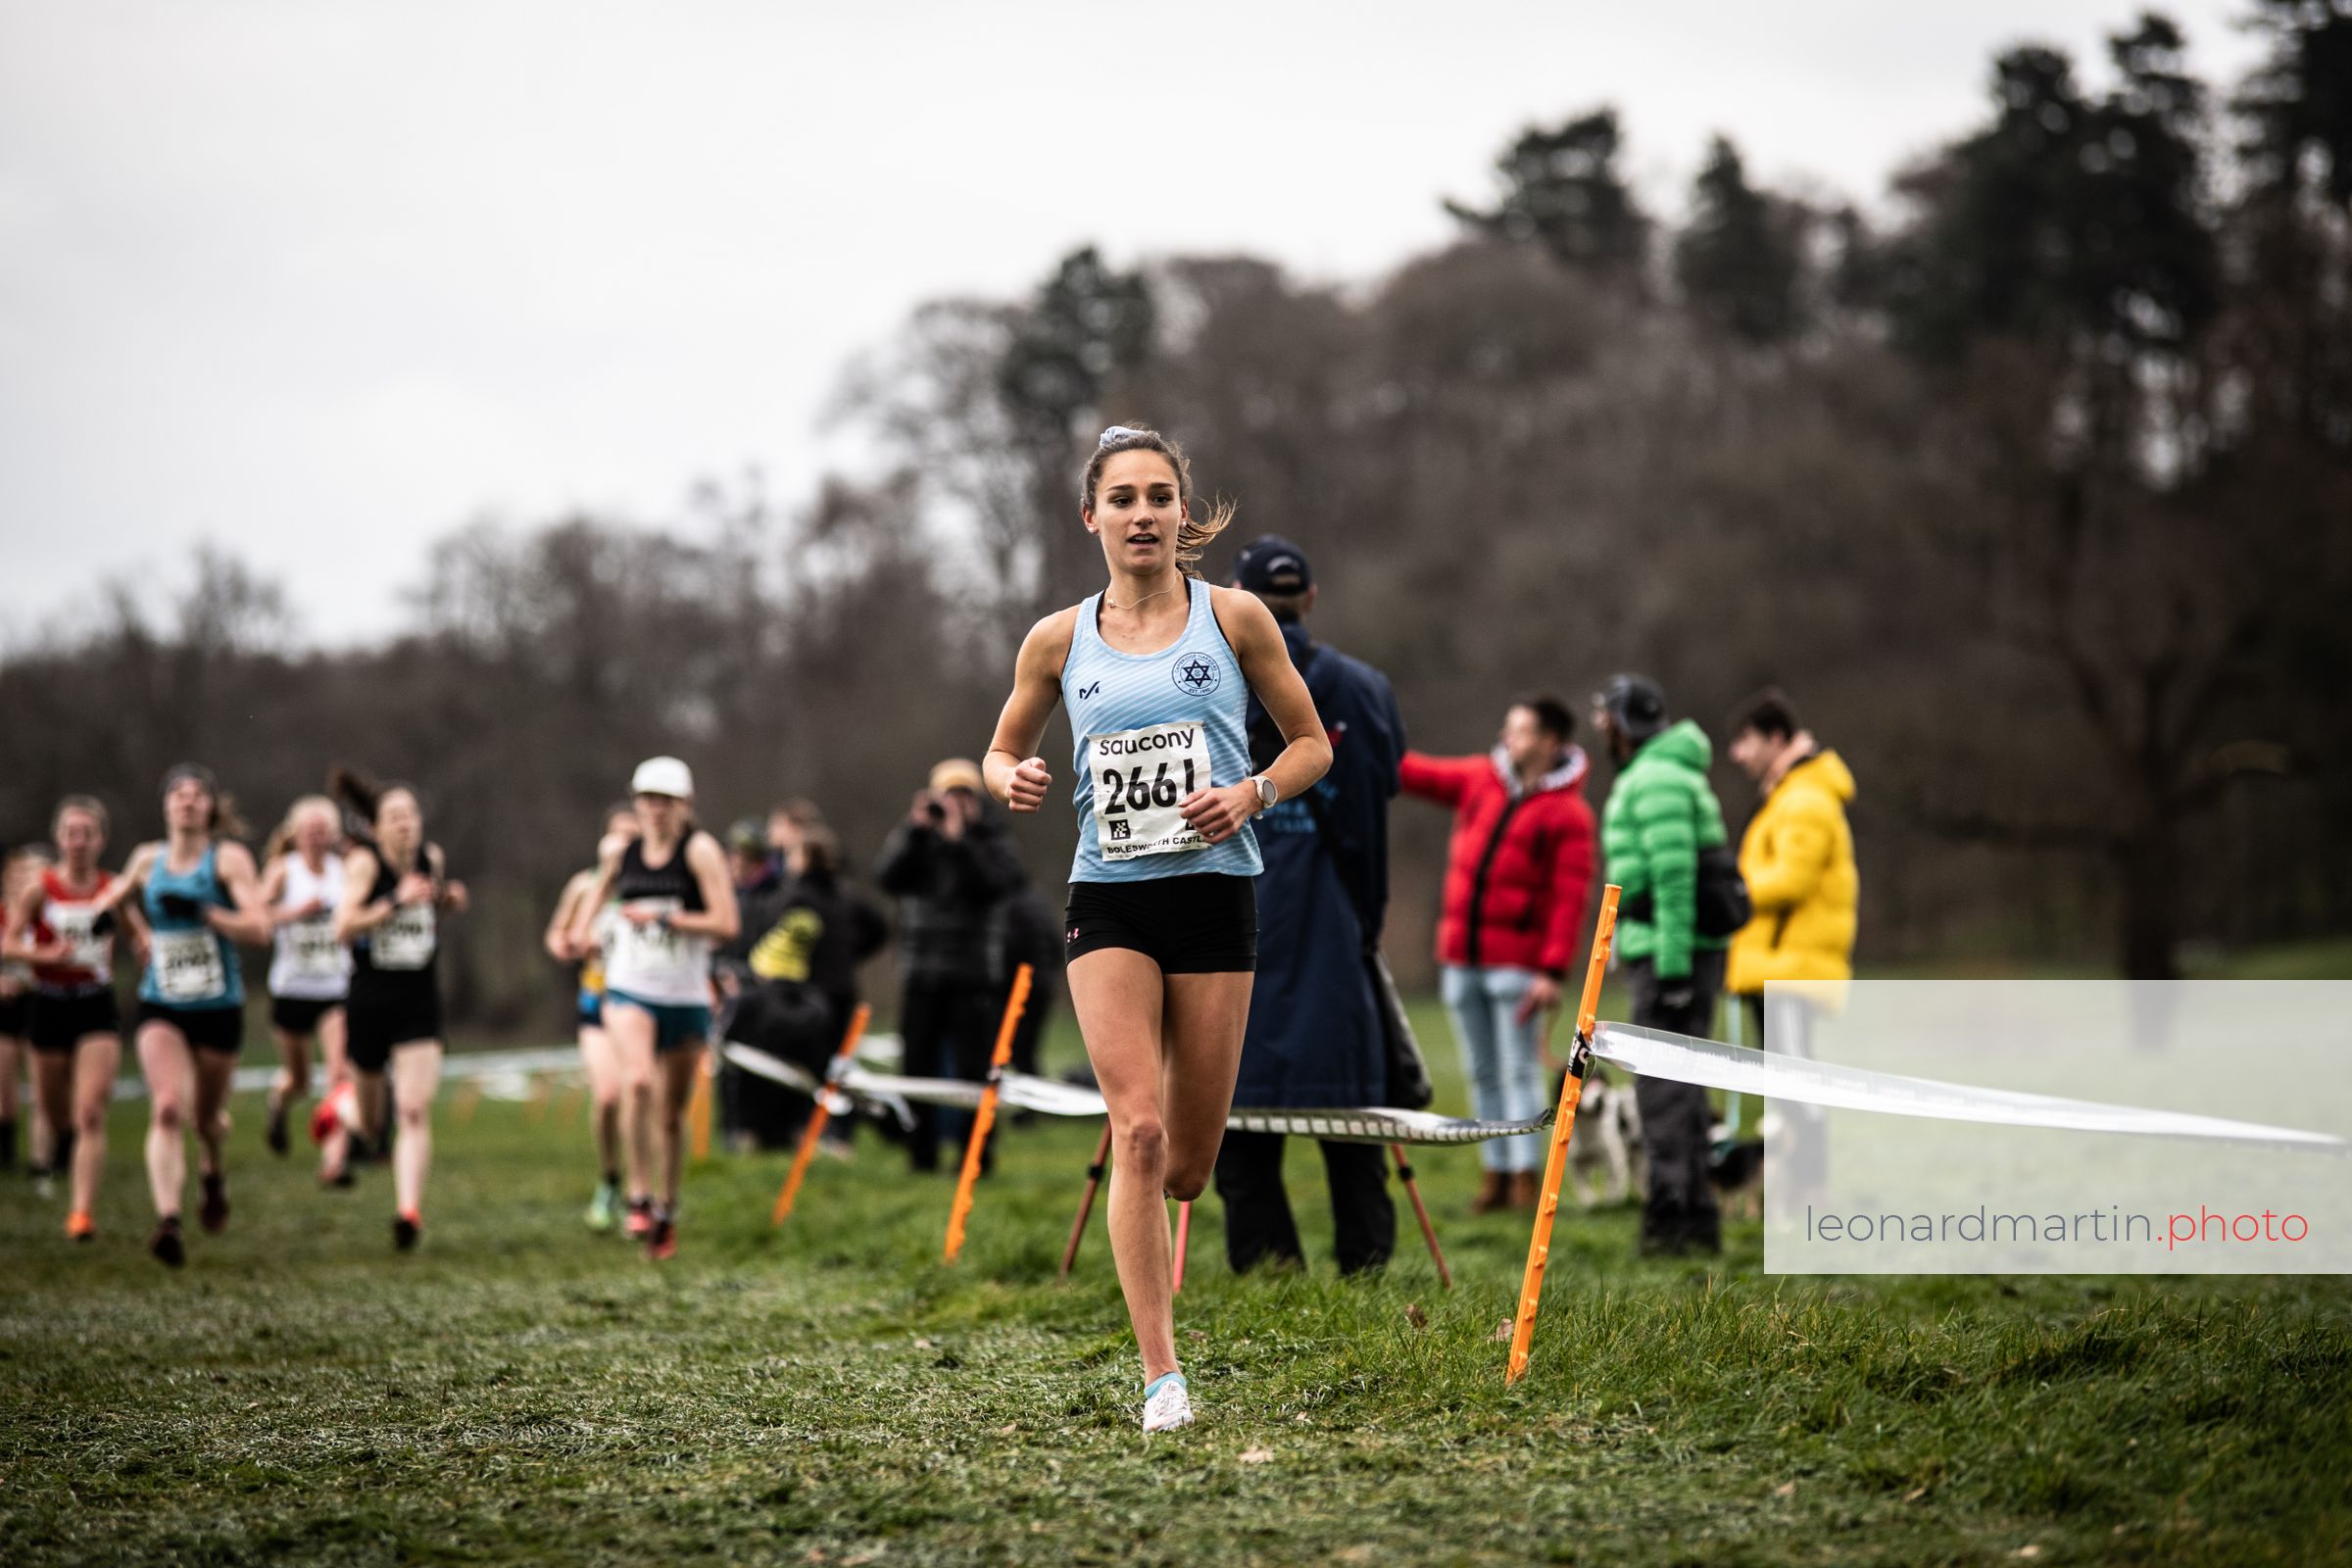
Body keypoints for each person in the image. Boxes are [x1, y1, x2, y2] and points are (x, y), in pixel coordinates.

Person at [985, 423, 1330, 1433]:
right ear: (1090, 516)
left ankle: (1168, 1170)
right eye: (1123, 498)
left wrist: (1252, 792)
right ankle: (1161, 1375)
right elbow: (999, 752)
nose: (1143, 514)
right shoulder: (1057, 640)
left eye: (1159, 497)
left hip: (1216, 898)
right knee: (1135, 1132)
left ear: (1184, 514)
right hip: (1111, 900)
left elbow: (1312, 744)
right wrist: (1015, 778)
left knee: (1186, 1165)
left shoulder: (1236, 617)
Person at [1211, 535, 1407, 1276]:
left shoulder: (1205, 683)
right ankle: (1366, 1266)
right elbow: (1387, 779)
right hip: (1339, 920)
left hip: (1233, 920)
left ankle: (1269, 1269)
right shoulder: (1365, 687)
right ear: (1312, 599)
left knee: (1236, 1104)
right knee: (1348, 1109)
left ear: (1236, 599)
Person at [1399, 694, 1596, 1212]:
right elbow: (1415, 773)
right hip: (1461, 959)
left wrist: (1552, 970)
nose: (1508, 738)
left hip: (1518, 966)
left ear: (1550, 741)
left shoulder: (1569, 814)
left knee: (1518, 1073)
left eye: (1521, 730)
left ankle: (1525, 1178)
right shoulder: (1479, 778)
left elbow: (1569, 899)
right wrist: (1352, 735)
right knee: (1481, 1072)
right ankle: (1496, 1176)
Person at [91, 764, 272, 1267]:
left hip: (218, 1007)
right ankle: (169, 1220)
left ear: (210, 808)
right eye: (178, 793)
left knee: (206, 1119)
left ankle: (213, 1171)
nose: (187, 800)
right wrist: (131, 929)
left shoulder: (227, 859)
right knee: (168, 1107)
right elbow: (113, 898)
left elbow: (260, 929)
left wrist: (206, 913)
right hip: (162, 1003)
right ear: (165, 806)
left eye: (197, 795)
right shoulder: (147, 859)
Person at [570, 757, 737, 1261]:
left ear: (685, 805)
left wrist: (667, 921)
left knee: (670, 1113)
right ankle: (638, 1194)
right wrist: (583, 933)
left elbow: (726, 923)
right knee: (638, 1082)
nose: (656, 810)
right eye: (647, 800)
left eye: (666, 801)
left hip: (684, 995)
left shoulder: (700, 851)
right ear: (636, 803)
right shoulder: (624, 854)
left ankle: (667, 1205)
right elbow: (592, 905)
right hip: (630, 988)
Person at [1592, 674, 1732, 1256]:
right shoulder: (1660, 772)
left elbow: (1675, 878)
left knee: (1663, 1091)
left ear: (1625, 724)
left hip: (1673, 955)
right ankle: (1693, 1217)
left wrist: (1672, 972)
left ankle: (1674, 1221)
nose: (1601, 728)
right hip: (1670, 948)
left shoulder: (1656, 778)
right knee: (1682, 1087)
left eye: (1606, 718)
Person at [1725, 688, 1858, 1211]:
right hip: (1775, 963)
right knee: (1786, 1084)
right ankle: (1798, 1192)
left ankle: (1812, 1191)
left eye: (1746, 741)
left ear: (1777, 739)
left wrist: (1733, 892)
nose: (1737, 754)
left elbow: (1792, 880)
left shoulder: (1805, 798)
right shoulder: (1787, 794)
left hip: (1791, 966)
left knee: (1798, 1082)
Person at [331, 769, 469, 1250]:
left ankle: (408, 1211)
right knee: (372, 1127)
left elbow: (426, 913)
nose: (406, 823)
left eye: (410, 813)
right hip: (370, 999)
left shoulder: (432, 858)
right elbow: (343, 926)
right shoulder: (365, 865)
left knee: (412, 1109)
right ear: (376, 827)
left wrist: (446, 901)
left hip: (419, 998)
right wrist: (394, 900)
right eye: (394, 816)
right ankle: (343, 1109)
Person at [874, 759, 1029, 1174]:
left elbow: (999, 884)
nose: (955, 804)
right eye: (949, 795)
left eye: (964, 795)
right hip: (921, 972)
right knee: (917, 1067)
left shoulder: (993, 838)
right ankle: (920, 1155)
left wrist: (961, 841)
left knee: (974, 1071)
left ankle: (975, 1156)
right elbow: (886, 877)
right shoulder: (917, 837)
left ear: (977, 798)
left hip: (973, 974)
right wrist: (914, 830)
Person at [5, 798, 139, 1241]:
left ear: (101, 840)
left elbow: (139, 933)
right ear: (59, 838)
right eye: (71, 833)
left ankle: (81, 1213)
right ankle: (64, 1144)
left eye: (87, 833)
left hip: (95, 1004)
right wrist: (44, 955)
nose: (79, 842)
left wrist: (146, 946)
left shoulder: (112, 888)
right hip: (48, 1003)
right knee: (54, 1109)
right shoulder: (40, 889)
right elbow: (7, 944)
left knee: (90, 1112)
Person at [732, 816, 888, 1150]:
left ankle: (804, 1131)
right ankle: (838, 1135)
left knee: (808, 1068)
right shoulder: (845, 894)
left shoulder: (794, 896)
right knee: (839, 1066)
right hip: (843, 990)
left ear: (804, 858)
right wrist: (850, 955)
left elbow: (775, 942)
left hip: (808, 996)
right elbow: (880, 927)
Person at [545, 802, 641, 1232]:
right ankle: (610, 1179)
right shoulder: (585, 885)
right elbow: (560, 934)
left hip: (639, 1003)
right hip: (596, 1002)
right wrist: (564, 944)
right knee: (607, 1097)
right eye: (617, 835)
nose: (623, 845)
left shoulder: (651, 887)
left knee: (640, 1096)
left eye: (632, 837)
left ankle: (644, 1192)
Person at [258, 795, 352, 1166]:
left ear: (333, 835)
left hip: (334, 987)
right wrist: (297, 912)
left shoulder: (344, 870)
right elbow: (257, 914)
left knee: (339, 1073)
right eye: (310, 831)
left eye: (323, 830)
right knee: (299, 1082)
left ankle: (334, 1159)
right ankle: (278, 1104)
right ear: (295, 834)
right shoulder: (284, 870)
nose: (316, 837)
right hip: (292, 989)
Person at [0, 843, 43, 1180]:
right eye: (15, 874)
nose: (20, 881)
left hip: (39, 1001)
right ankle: (7, 1155)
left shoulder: (48, 915)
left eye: (28, 874)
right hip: (5, 1006)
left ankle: (44, 1160)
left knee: (43, 1086)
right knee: (4, 1086)